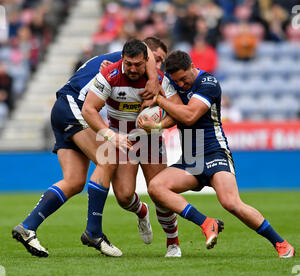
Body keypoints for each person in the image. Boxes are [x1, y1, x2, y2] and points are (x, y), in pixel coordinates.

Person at [11, 37, 166, 258]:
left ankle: (28, 227)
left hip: (63, 109)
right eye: (156, 60)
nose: (157, 67)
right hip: (73, 106)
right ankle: (93, 232)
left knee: (74, 181)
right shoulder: (123, 61)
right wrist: (152, 80)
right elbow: (89, 108)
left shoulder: (119, 64)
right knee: (108, 156)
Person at [141, 50, 295, 258]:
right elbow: (150, 63)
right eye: (177, 82)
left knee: (231, 203)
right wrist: (158, 124)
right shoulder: (171, 81)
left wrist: (159, 101)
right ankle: (207, 223)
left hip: (214, 152)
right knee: (156, 188)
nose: (182, 85)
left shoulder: (208, 83)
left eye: (185, 80)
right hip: (191, 159)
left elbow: (189, 116)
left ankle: (281, 244)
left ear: (193, 67)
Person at [80, 39, 183, 258]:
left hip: (150, 138)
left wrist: (157, 124)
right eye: (129, 64)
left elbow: (178, 111)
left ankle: (173, 243)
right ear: (122, 59)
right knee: (124, 196)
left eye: (138, 64)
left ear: (147, 61)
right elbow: (88, 110)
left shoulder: (160, 80)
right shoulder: (109, 74)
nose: (133, 69)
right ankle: (141, 211)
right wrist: (110, 135)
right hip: (121, 137)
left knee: (160, 192)